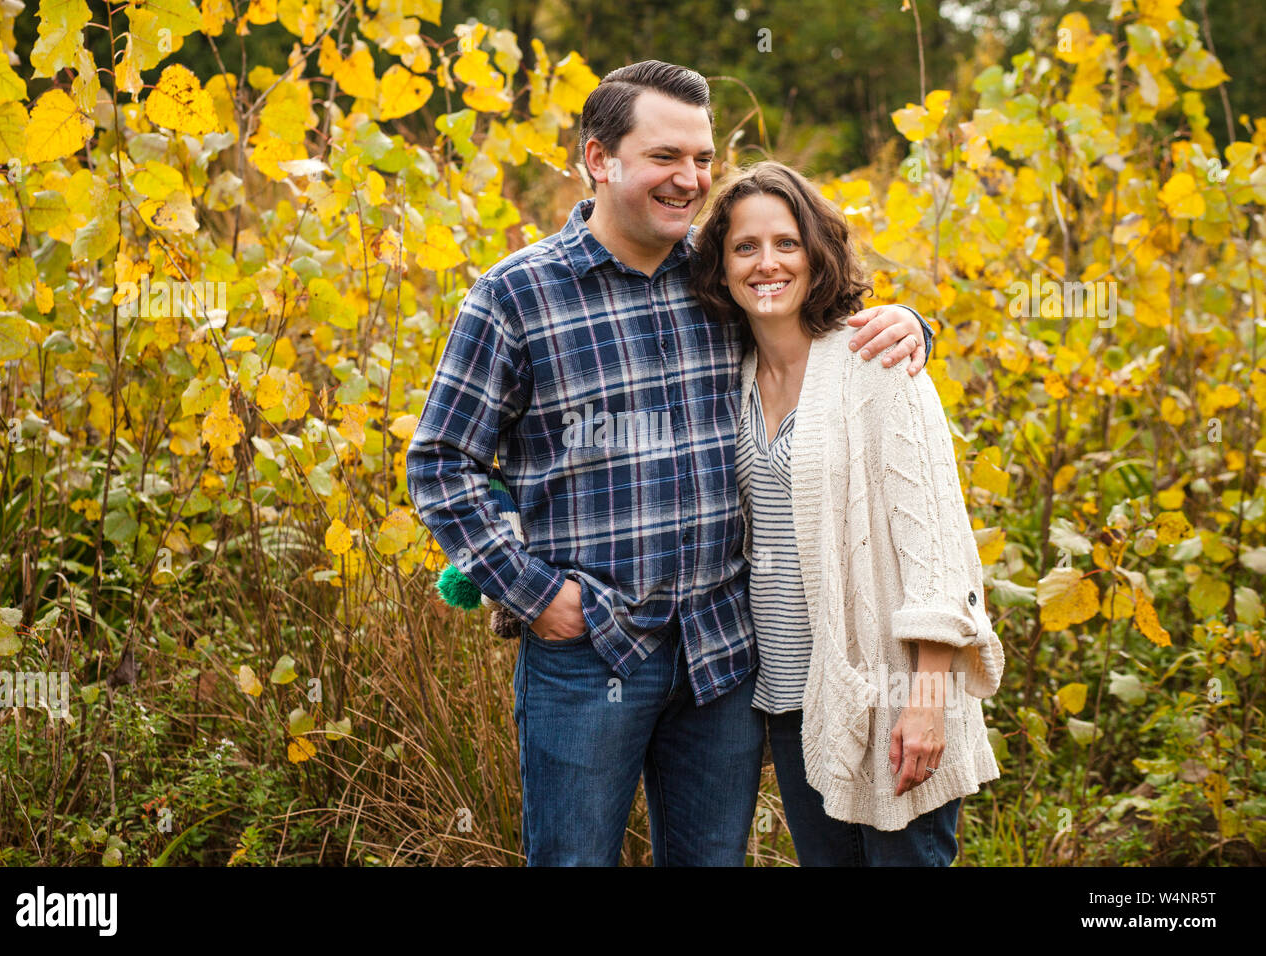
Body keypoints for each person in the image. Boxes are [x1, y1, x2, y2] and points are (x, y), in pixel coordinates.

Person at [406, 61, 934, 867]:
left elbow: (822, 331)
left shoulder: (718, 277)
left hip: (718, 655)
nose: (689, 179)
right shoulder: (516, 297)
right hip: (589, 657)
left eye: (701, 158)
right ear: (599, 158)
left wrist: (911, 324)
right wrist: (537, 595)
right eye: (664, 157)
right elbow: (441, 463)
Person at [688, 161, 1005, 866]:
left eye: (786, 243)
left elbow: (939, 552)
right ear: (721, 265)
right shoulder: (731, 372)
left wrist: (924, 701)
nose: (766, 263)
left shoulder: (875, 360)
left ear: (816, 253)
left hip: (895, 694)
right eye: (745, 247)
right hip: (796, 699)